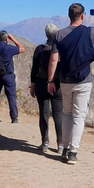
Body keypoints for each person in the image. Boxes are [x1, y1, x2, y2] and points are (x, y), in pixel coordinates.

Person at [47, 4, 94, 165]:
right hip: (84, 80)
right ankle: (73, 152)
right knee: (79, 116)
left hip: (65, 80)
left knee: (67, 114)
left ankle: (65, 148)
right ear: (82, 16)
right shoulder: (90, 32)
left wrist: (50, 80)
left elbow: (54, 59)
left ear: (69, 16)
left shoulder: (59, 35)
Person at [29, 24, 62, 153]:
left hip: (42, 84)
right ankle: (60, 145)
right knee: (59, 115)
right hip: (57, 84)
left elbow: (34, 69)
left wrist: (33, 85)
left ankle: (45, 142)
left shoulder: (40, 49)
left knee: (44, 114)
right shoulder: (60, 48)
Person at [0, 30, 25, 123]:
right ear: (6, 39)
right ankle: (14, 118)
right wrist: (13, 39)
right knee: (11, 96)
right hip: (8, 75)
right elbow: (22, 49)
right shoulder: (9, 49)